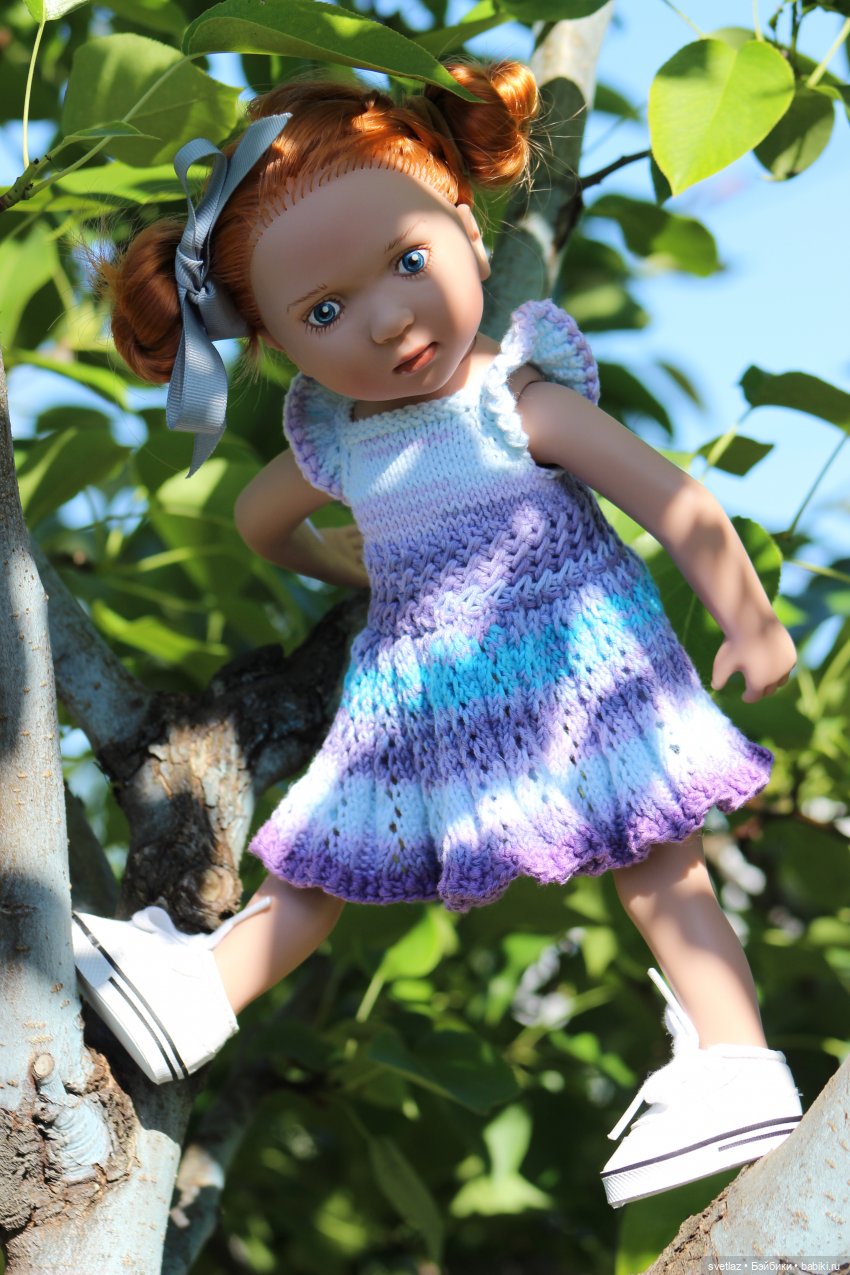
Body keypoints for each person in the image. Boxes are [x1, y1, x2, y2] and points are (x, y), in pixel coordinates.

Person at [71, 60, 803, 1209]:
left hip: (579, 665)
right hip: (419, 693)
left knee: (658, 856)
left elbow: (675, 501)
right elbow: (261, 520)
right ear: (273, 344)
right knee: (320, 861)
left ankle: (735, 1056)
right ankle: (204, 993)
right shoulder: (345, 443)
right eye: (323, 313)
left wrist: (748, 621)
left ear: (465, 222)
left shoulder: (517, 402)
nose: (385, 319)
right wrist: (352, 561)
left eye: (407, 261)